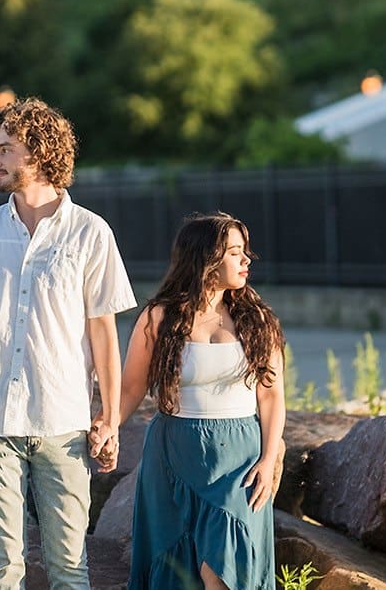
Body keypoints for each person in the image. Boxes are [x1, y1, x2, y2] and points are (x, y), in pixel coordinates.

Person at [0, 97, 139, 589]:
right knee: (3, 569)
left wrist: (109, 417)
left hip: (63, 424)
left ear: (41, 152)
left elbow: (103, 332)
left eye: (5, 149)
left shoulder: (91, 233)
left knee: (70, 569)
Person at [118, 212, 284, 590]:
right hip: (172, 451)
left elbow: (272, 395)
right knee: (175, 571)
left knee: (225, 571)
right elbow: (131, 389)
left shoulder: (257, 320)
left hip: (239, 458)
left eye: (246, 253)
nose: (246, 261)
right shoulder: (158, 317)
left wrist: (269, 458)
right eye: (235, 253)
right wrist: (107, 429)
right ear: (206, 259)